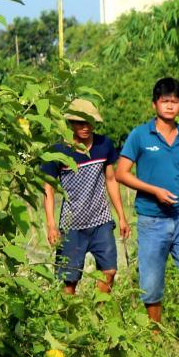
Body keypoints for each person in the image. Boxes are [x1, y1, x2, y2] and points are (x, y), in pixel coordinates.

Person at [115, 78, 179, 354]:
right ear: (155, 104)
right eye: (165, 100)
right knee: (151, 285)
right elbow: (120, 173)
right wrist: (153, 191)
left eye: (175, 101)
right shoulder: (140, 136)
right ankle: (154, 338)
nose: (170, 105)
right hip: (151, 221)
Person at [41, 99, 129, 295]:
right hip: (72, 224)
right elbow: (48, 188)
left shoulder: (103, 144)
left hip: (101, 220)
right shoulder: (59, 151)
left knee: (109, 271)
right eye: (80, 123)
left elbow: (111, 180)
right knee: (68, 281)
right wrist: (51, 224)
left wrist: (121, 216)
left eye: (89, 122)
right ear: (71, 123)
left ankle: (95, 313)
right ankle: (70, 322)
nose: (85, 127)